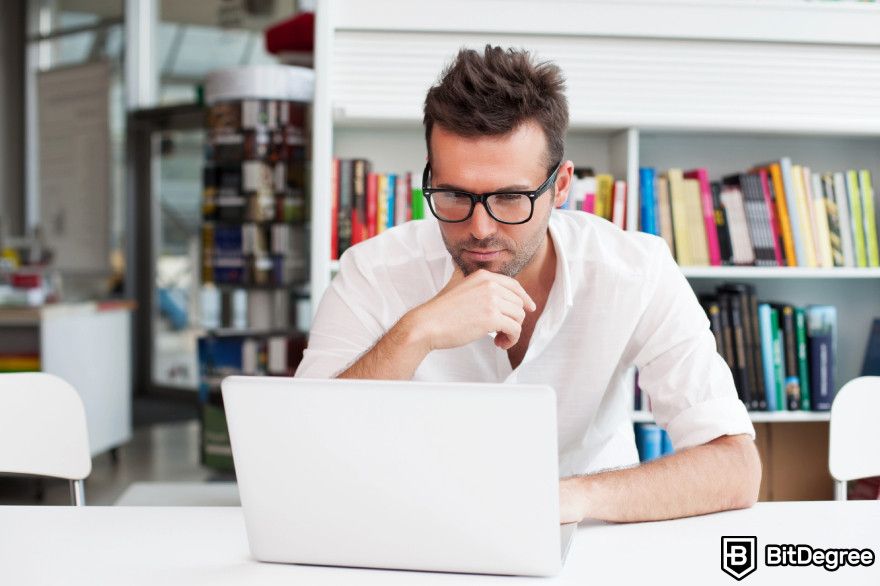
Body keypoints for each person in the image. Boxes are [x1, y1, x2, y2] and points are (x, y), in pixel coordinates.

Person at [295, 45, 761, 523]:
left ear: (560, 187)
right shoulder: (373, 272)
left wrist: (566, 499)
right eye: (454, 195)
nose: (479, 228)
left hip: (591, 540)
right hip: (415, 533)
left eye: (511, 197)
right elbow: (300, 451)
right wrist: (417, 333)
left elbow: (734, 467)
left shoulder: (635, 271)